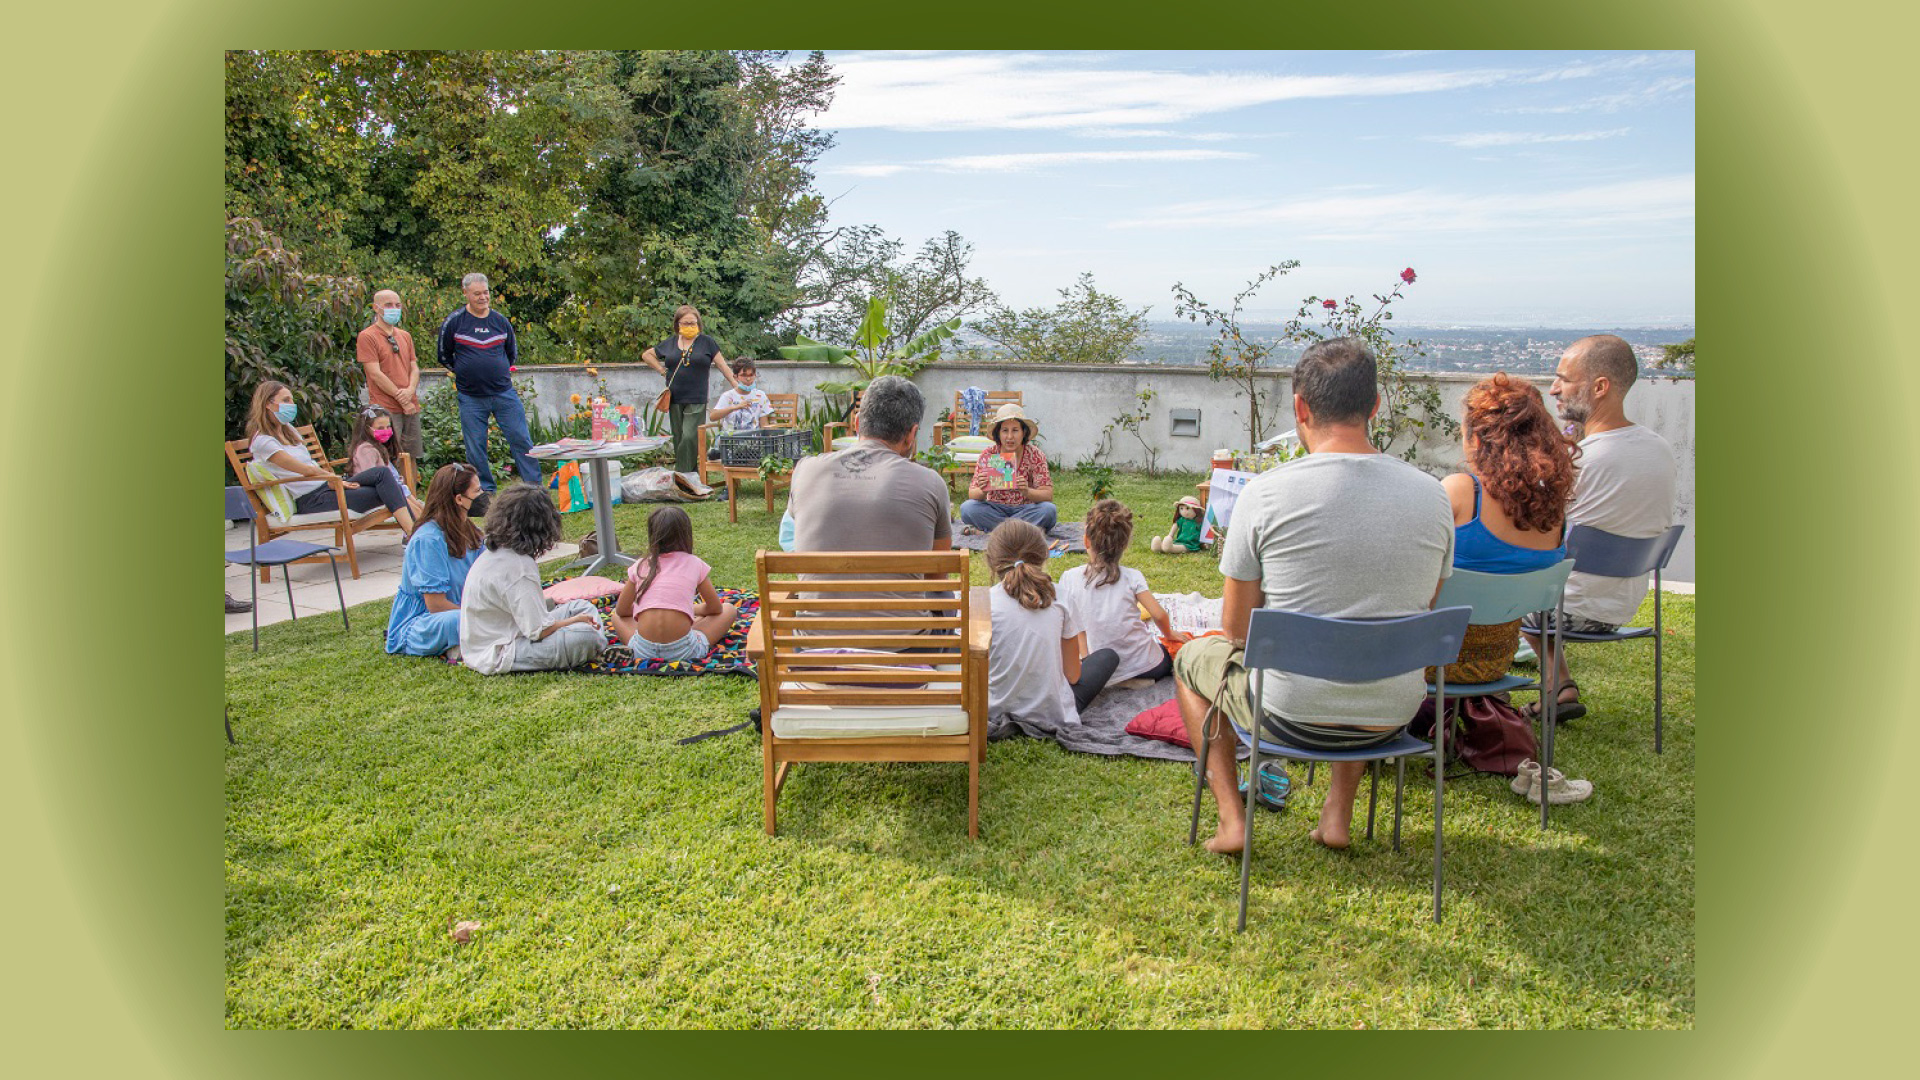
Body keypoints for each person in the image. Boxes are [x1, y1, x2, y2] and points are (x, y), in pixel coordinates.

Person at [1172, 338, 1453, 854]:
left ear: (1300, 407)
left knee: (1192, 658)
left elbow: (1236, 632)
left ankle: (1233, 820)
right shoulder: (1434, 496)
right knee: (1368, 637)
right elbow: (1423, 608)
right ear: (1373, 406)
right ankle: (1337, 815)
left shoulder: (1264, 494)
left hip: (1288, 712)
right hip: (1393, 715)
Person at [1520, 334, 1679, 720]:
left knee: (1489, 587)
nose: (1554, 389)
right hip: (1623, 605)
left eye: (1563, 379)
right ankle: (1560, 687)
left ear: (1600, 387)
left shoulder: (1583, 461)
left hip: (1564, 610)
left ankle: (1468, 703)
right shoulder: (1659, 449)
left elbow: (1531, 529)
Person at [1435, 373, 1577, 684]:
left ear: (1476, 438)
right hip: (1497, 662)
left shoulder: (1462, 493)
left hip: (1432, 659)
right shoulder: (1553, 509)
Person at [458, 485, 608, 674]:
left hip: (505, 634)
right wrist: (573, 622)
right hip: (502, 651)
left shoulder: (497, 552)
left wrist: (574, 618)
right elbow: (538, 631)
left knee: (580, 606)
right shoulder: (519, 567)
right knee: (585, 635)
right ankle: (599, 644)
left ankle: (596, 638)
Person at [985, 519, 1120, 725]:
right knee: (1107, 657)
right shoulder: (1062, 597)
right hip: (1052, 712)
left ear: (991, 560)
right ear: (1043, 555)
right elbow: (1073, 676)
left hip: (994, 708)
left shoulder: (982, 603)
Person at [244, 382, 416, 535]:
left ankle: (412, 532)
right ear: (268, 404)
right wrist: (335, 479)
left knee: (381, 475)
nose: (292, 404)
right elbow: (306, 470)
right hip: (312, 499)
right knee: (388, 487)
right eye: (286, 400)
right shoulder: (263, 442)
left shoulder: (288, 430)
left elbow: (310, 465)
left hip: (326, 486)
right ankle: (412, 533)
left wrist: (334, 481)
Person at [1059, 499, 1188, 693]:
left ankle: (1111, 679)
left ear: (1086, 540)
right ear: (1126, 544)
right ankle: (1129, 678)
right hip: (1143, 665)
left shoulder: (1069, 578)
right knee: (1167, 655)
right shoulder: (1132, 577)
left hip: (1097, 667)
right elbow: (1159, 615)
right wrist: (1170, 634)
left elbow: (1071, 627)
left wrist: (1086, 659)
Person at [438, 272, 539, 492]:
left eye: (486, 292)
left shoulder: (500, 322)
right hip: (471, 397)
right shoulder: (454, 322)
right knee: (475, 447)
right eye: (477, 293)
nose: (483, 297)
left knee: (521, 440)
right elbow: (444, 356)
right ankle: (484, 490)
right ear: (465, 294)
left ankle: (534, 487)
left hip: (504, 394)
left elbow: (511, 354)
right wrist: (465, 372)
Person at [609, 506, 739, 663]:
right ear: (686, 534)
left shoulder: (641, 565)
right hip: (686, 651)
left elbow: (621, 611)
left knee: (615, 616)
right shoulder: (694, 563)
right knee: (729, 609)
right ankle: (684, 628)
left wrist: (647, 608)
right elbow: (715, 608)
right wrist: (688, 609)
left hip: (642, 651)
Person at [386, 464, 487, 658]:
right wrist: (482, 614)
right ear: (459, 499)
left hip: (463, 609)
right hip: (423, 622)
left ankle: (468, 640)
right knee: (462, 621)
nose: (482, 495)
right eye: (477, 491)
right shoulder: (428, 540)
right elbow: (436, 605)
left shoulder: (468, 529)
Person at [641, 305, 742, 481]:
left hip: (696, 397)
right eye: (685, 322)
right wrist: (662, 370)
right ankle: (692, 475)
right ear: (678, 324)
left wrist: (735, 385)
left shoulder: (707, 342)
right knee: (679, 438)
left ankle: (682, 477)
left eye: (693, 322)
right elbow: (647, 355)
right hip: (674, 398)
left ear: (698, 323)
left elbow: (722, 365)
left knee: (689, 437)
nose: (689, 326)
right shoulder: (670, 343)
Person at [959, 403, 1057, 533]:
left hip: (1026, 508)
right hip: (995, 509)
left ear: (1024, 433)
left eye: (1015, 430)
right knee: (968, 508)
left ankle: (999, 531)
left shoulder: (1035, 455)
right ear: (998, 433)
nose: (1010, 437)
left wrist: (1027, 491)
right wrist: (983, 490)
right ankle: (1019, 530)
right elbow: (972, 493)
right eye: (1005, 430)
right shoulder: (989, 454)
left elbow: (1047, 495)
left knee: (1049, 510)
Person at [357, 289, 423, 464]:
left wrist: (409, 391)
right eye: (388, 305)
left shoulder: (405, 336)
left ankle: (411, 491)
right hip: (385, 408)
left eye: (397, 305)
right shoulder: (367, 336)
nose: (394, 308)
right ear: (376, 308)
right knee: (388, 456)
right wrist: (402, 398)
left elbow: (414, 368)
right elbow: (375, 373)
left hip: (410, 405)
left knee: (411, 457)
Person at [346, 405, 425, 522]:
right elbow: (370, 476)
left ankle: (424, 532)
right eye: (380, 428)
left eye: (388, 427)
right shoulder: (365, 450)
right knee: (416, 512)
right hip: (381, 493)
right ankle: (414, 533)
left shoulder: (378, 447)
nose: (386, 431)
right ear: (367, 428)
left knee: (420, 508)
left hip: (396, 488)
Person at [707, 357, 773, 439]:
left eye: (751, 375)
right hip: (731, 442)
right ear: (735, 377)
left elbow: (764, 424)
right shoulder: (728, 396)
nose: (748, 379)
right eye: (744, 375)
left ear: (755, 375)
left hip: (753, 443)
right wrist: (734, 407)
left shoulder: (760, 395)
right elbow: (713, 416)